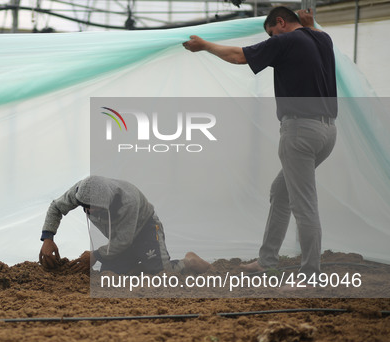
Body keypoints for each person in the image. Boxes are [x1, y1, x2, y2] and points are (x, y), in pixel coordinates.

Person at [182, 7, 337, 279]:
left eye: (271, 32)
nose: (271, 38)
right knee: (281, 191)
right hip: (327, 132)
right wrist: (310, 24)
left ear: (280, 23)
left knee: (304, 206)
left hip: (301, 131)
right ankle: (267, 260)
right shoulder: (322, 39)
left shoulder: (286, 40)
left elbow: (240, 57)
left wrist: (205, 46)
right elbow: (315, 32)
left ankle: (310, 275)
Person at [39, 175, 210, 275]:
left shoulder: (128, 201)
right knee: (110, 275)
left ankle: (189, 261)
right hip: (121, 238)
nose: (89, 211)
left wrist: (96, 255)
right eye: (85, 207)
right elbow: (56, 207)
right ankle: (139, 263)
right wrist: (48, 238)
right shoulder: (80, 191)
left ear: (105, 202)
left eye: (93, 208)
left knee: (162, 273)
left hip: (145, 229)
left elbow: (123, 241)